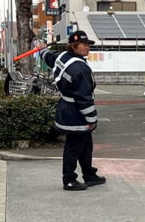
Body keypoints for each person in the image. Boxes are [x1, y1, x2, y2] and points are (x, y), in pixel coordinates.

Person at [38, 30, 106, 191]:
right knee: (73, 147)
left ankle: (89, 174)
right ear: (74, 47)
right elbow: (84, 98)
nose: (87, 48)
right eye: (83, 45)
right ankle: (69, 179)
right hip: (76, 112)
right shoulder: (80, 69)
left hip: (66, 107)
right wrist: (91, 119)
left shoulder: (62, 57)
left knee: (85, 144)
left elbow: (48, 55)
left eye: (88, 44)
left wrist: (41, 50)